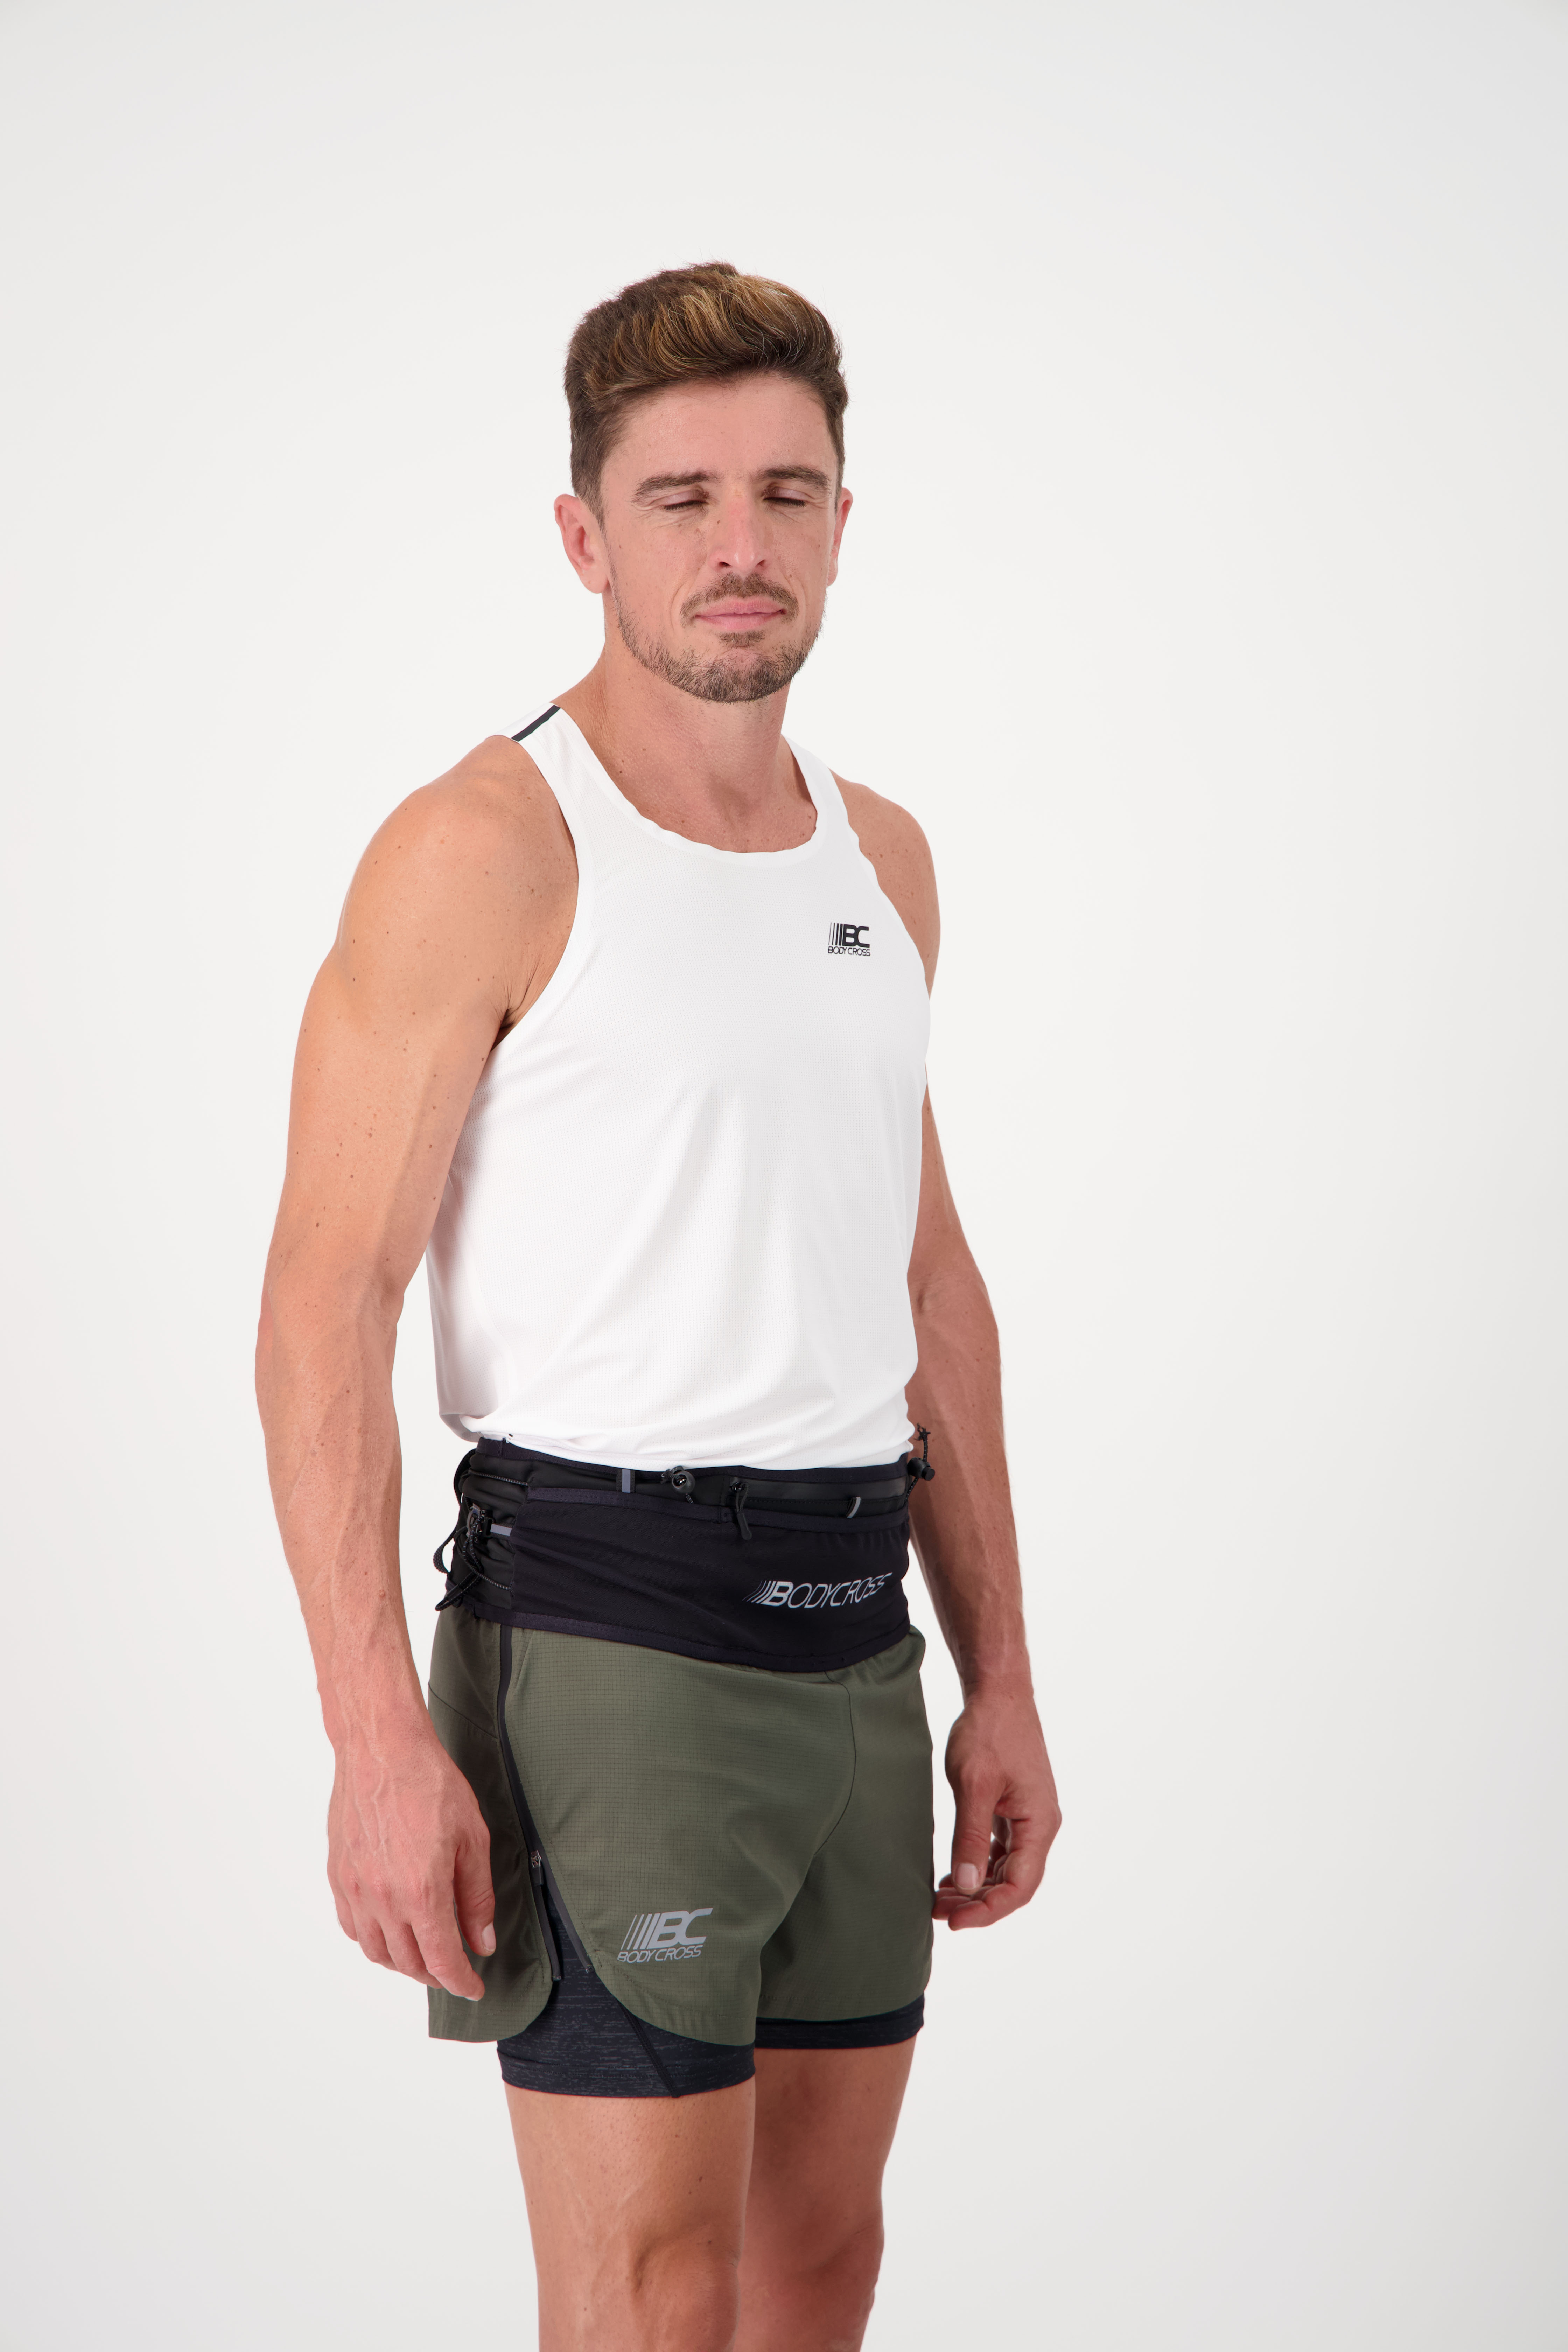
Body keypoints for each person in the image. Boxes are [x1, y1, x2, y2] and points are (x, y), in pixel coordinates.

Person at [257, 261, 1060, 2352]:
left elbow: (926, 1280)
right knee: (652, 2297)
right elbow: (325, 1296)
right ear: (584, 534)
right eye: (681, 498)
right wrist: (371, 1735)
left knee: (820, 2266)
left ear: (842, 525)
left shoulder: (883, 862)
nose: (738, 544)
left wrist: (1002, 1677)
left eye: (786, 494)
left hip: (856, 1642)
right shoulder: (487, 846)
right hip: (610, 1641)